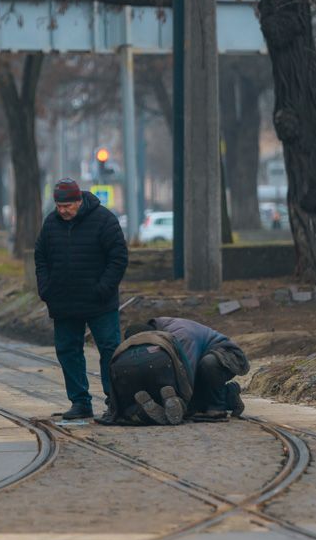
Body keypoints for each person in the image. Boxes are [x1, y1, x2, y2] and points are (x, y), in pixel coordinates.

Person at [34, 178, 128, 421]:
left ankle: (115, 401)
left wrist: (103, 289)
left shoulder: (104, 219)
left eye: (67, 206)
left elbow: (118, 258)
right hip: (64, 302)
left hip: (100, 302)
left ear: (79, 201)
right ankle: (80, 402)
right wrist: (46, 289)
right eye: (59, 206)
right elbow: (41, 257)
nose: (63, 211)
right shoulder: (51, 223)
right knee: (67, 350)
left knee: (110, 349)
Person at [103, 317, 248, 425]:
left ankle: (218, 407)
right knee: (194, 397)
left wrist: (180, 403)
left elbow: (185, 372)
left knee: (207, 364)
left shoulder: (181, 335)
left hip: (226, 357)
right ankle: (229, 394)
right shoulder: (161, 331)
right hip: (201, 368)